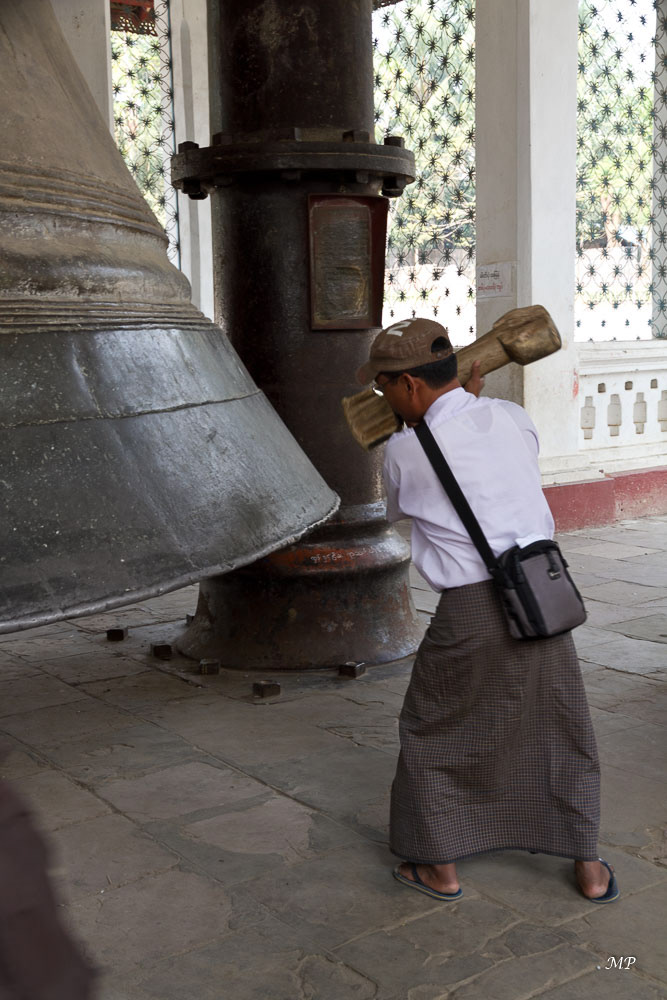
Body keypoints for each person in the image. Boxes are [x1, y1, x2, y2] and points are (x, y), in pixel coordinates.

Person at [355, 316, 618, 904]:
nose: (384, 399)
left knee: (435, 727)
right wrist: (466, 408)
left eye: (385, 388)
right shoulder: (512, 418)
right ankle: (589, 867)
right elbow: (492, 465)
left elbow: (405, 509)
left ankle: (441, 868)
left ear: (409, 387)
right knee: (561, 724)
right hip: (543, 593)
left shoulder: (403, 452)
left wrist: (424, 430)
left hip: (472, 608)